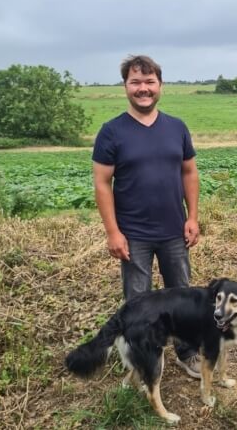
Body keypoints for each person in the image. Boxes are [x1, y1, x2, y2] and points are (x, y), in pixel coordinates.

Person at [92, 55, 201, 378]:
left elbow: (190, 173)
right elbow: (101, 183)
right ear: (126, 86)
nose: (143, 89)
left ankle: (187, 352)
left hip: (174, 231)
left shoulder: (176, 128)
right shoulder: (111, 132)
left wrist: (192, 217)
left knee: (181, 297)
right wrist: (113, 232)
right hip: (133, 235)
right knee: (139, 303)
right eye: (136, 82)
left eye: (149, 82)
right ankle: (144, 359)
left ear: (160, 85)